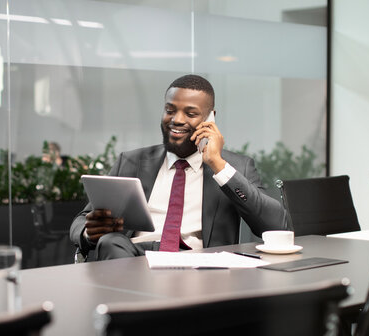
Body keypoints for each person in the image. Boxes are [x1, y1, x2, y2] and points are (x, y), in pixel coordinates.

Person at [69, 74, 289, 260]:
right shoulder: (132, 161)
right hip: (133, 259)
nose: (176, 119)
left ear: (210, 119)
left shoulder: (235, 166)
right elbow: (81, 220)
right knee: (111, 241)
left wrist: (218, 165)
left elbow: (277, 226)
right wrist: (90, 232)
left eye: (190, 113)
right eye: (170, 110)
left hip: (198, 265)